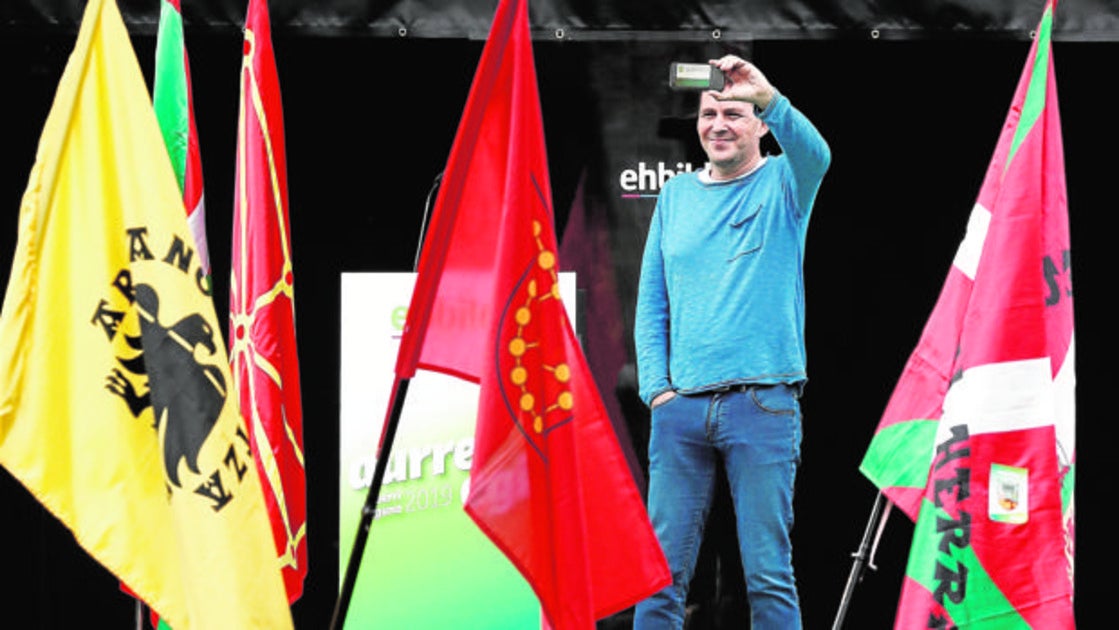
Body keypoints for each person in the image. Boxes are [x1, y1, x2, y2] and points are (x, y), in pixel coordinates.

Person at [632, 54, 830, 629]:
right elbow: (652, 302)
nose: (719, 124)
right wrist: (657, 392)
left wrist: (768, 94)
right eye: (709, 112)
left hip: (762, 403)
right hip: (681, 411)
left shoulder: (785, 182)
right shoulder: (674, 197)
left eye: (735, 114)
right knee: (659, 576)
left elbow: (818, 153)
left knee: (768, 575)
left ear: (761, 124)